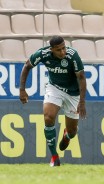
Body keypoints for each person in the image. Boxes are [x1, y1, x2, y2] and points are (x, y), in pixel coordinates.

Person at [19, 36, 87, 167]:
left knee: (73, 132)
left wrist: (82, 102)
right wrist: (22, 89)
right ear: (51, 50)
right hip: (54, 88)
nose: (62, 52)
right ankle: (54, 157)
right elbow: (27, 66)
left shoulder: (73, 55)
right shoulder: (43, 54)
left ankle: (67, 135)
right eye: (58, 50)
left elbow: (82, 77)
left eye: (64, 48)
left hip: (73, 93)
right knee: (48, 117)